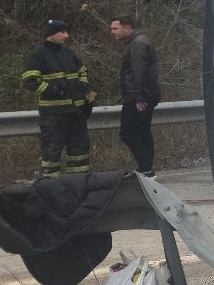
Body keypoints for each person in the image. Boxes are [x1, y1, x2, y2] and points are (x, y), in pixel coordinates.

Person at [21, 20, 95, 177]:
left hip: (76, 113)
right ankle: (51, 189)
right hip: (54, 115)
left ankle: (79, 184)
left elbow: (83, 71)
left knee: (80, 151)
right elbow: (30, 81)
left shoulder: (68, 53)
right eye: (62, 32)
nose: (66, 36)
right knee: (52, 152)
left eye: (66, 32)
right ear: (51, 34)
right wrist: (55, 91)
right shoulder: (37, 55)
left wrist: (84, 88)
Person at [110, 16, 161, 177]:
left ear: (127, 28)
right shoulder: (139, 41)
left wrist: (139, 97)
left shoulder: (137, 44)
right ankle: (147, 169)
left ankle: (146, 169)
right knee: (142, 131)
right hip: (145, 93)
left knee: (128, 132)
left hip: (137, 95)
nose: (112, 32)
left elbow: (139, 72)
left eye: (115, 28)